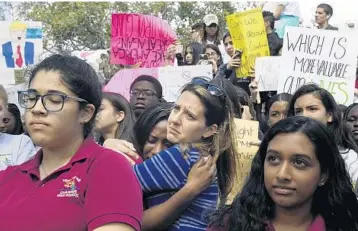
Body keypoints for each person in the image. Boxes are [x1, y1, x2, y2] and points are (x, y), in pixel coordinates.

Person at [0, 54, 143, 230]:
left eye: (54, 100)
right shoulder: (8, 177)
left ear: (86, 113)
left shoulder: (107, 166)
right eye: (31, 98)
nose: (37, 109)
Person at [208, 116, 358, 231]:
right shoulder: (229, 225)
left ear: (324, 175)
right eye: (273, 159)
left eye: (299, 162)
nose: (282, 174)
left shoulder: (345, 225)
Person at [133, 79, 238, 230]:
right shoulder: (202, 156)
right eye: (176, 109)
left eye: (190, 116)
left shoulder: (183, 155)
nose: (175, 120)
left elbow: (117, 183)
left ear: (209, 130)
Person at [287, 84, 358, 188]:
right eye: (298, 111)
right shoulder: (284, 149)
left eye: (312, 109)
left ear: (329, 115)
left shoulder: (350, 159)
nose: (304, 115)